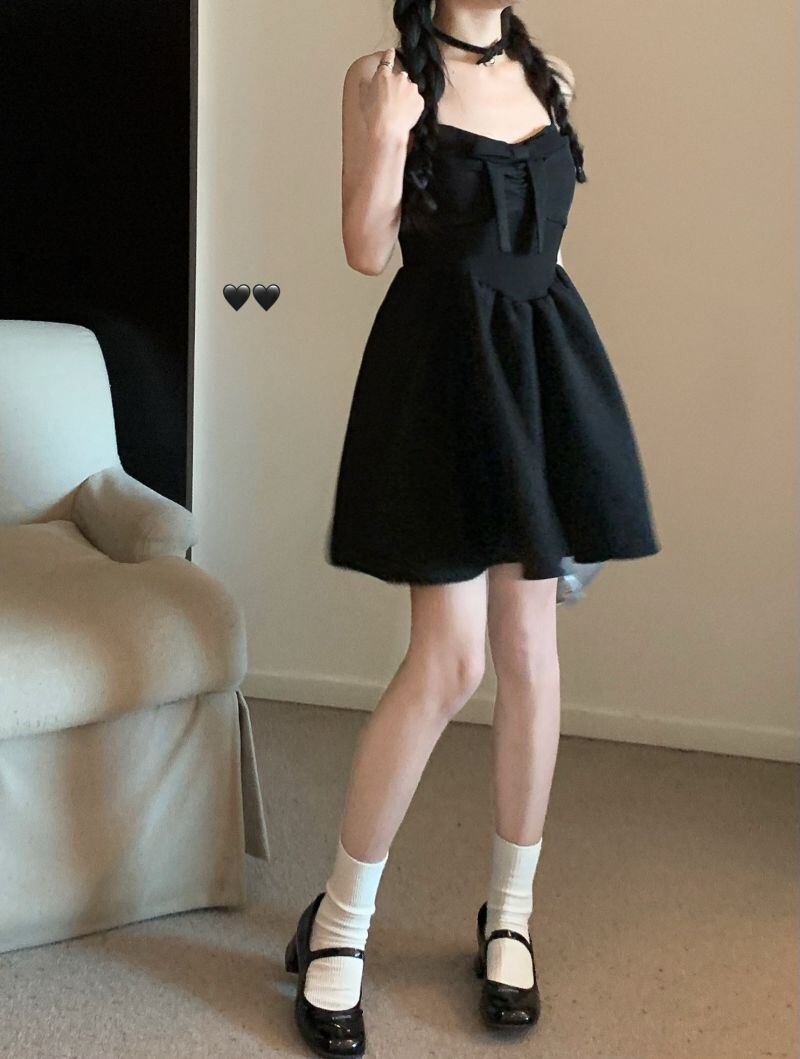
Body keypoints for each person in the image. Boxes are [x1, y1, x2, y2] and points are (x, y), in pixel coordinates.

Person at [285, 3, 661, 1055]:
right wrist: (387, 133)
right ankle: (339, 923)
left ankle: (510, 916)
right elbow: (366, 251)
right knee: (447, 662)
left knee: (532, 653)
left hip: (536, 373)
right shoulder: (381, 78)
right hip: (441, 377)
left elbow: (541, 247)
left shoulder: (555, 80)